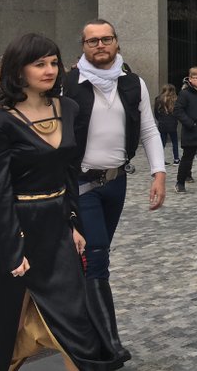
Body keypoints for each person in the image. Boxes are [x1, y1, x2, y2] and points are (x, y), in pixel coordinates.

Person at [0, 33, 126, 370]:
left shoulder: (67, 108)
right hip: (17, 226)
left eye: (54, 62)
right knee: (3, 323)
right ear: (18, 69)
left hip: (57, 226)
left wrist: (74, 222)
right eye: (39, 63)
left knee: (78, 324)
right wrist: (13, 247)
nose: (50, 70)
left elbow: (69, 172)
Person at [62, 19, 166, 362]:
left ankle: (79, 326)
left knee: (91, 259)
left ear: (117, 43)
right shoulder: (68, 84)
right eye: (92, 41)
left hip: (115, 183)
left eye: (106, 39)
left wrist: (159, 173)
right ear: (83, 46)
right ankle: (108, 343)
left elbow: (149, 130)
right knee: (96, 258)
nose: (100, 45)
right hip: (80, 184)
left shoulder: (132, 82)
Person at [154, 83, 180, 165]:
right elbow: (178, 112)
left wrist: (160, 119)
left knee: (162, 142)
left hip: (162, 123)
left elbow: (156, 113)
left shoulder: (158, 99)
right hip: (172, 123)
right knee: (174, 142)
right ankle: (176, 159)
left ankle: (160, 159)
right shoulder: (176, 99)